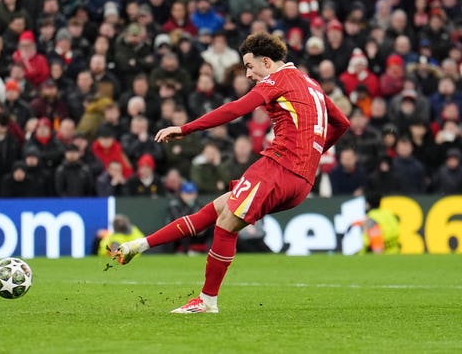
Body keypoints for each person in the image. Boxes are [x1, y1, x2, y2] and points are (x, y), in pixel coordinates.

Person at [113, 32, 350, 313]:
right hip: (302, 181)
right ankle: (137, 246)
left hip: (278, 167)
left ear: (266, 62)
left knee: (225, 225)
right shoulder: (311, 84)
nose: (248, 74)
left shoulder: (277, 80)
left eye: (250, 66)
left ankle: (207, 301)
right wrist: (312, 155)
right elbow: (342, 123)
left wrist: (185, 128)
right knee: (214, 211)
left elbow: (235, 109)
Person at [166, 181, 213, 254]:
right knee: (185, 227)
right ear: (181, 194)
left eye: (192, 193)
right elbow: (179, 221)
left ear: (196, 194)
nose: (190, 196)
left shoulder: (200, 205)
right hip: (181, 235)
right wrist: (190, 208)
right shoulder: (175, 205)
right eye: (187, 193)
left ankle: (211, 251)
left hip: (198, 234)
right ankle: (185, 251)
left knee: (213, 225)